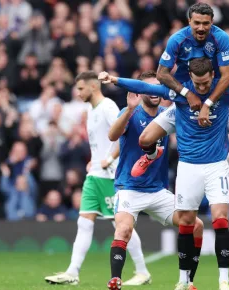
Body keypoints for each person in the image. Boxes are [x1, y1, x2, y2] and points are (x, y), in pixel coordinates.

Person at [99, 53, 229, 290]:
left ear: (213, 75)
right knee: (145, 140)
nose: (202, 86)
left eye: (205, 82)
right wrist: (115, 79)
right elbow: (143, 86)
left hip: (220, 118)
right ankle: (151, 155)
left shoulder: (223, 83)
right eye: (197, 82)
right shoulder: (181, 89)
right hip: (180, 138)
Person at [132, 2, 229, 188]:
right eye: (197, 23)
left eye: (205, 23)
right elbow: (161, 74)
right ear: (189, 21)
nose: (201, 27)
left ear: (212, 22)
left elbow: (227, 77)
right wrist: (187, 93)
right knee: (145, 139)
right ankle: (152, 155)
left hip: (216, 97)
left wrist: (208, 103)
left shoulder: (220, 38)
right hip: (184, 100)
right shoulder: (177, 40)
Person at [44, 71, 151, 286]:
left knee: (120, 225)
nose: (78, 92)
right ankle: (72, 271)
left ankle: (142, 271)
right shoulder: (90, 110)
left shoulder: (108, 107)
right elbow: (100, 143)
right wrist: (94, 160)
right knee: (84, 222)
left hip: (111, 176)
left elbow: (126, 135)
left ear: (94, 87)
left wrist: (109, 158)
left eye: (81, 88)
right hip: (95, 176)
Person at [104, 71, 204, 290]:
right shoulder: (131, 112)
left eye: (157, 87)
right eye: (149, 88)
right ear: (140, 92)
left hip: (158, 191)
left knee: (196, 226)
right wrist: (129, 109)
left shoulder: (168, 114)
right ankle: (115, 280)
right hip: (129, 187)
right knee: (123, 230)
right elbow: (112, 136)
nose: (155, 91)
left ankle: (187, 281)